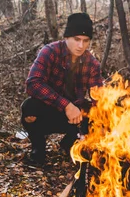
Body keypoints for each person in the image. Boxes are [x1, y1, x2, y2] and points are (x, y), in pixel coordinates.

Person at [21, 12, 103, 165]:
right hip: (48, 110)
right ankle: (38, 148)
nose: (81, 45)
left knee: (94, 112)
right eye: (76, 39)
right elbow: (33, 83)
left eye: (85, 41)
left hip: (74, 117)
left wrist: (100, 123)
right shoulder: (50, 52)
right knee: (29, 107)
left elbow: (98, 97)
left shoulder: (92, 64)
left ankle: (70, 145)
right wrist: (65, 105)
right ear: (67, 37)